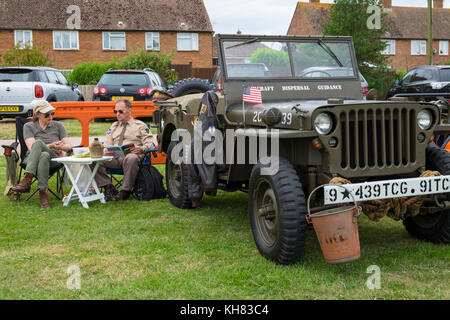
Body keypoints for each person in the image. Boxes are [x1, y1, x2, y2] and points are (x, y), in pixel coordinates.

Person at [12, 100, 72, 209]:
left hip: (53, 159)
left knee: (40, 145)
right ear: (37, 114)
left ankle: (27, 180)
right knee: (43, 153)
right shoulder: (28, 126)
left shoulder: (58, 125)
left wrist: (59, 146)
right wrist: (51, 145)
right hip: (31, 158)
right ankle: (43, 193)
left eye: (52, 114)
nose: (50, 117)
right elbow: (31, 148)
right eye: (46, 114)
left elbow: (68, 146)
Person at [94, 99, 155, 201]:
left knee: (131, 158)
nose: (117, 114)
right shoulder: (114, 126)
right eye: (115, 111)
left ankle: (125, 192)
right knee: (93, 160)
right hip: (114, 157)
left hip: (131, 156)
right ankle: (108, 187)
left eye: (120, 111)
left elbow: (151, 144)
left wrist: (142, 148)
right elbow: (107, 143)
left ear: (129, 110)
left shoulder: (140, 126)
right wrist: (106, 150)